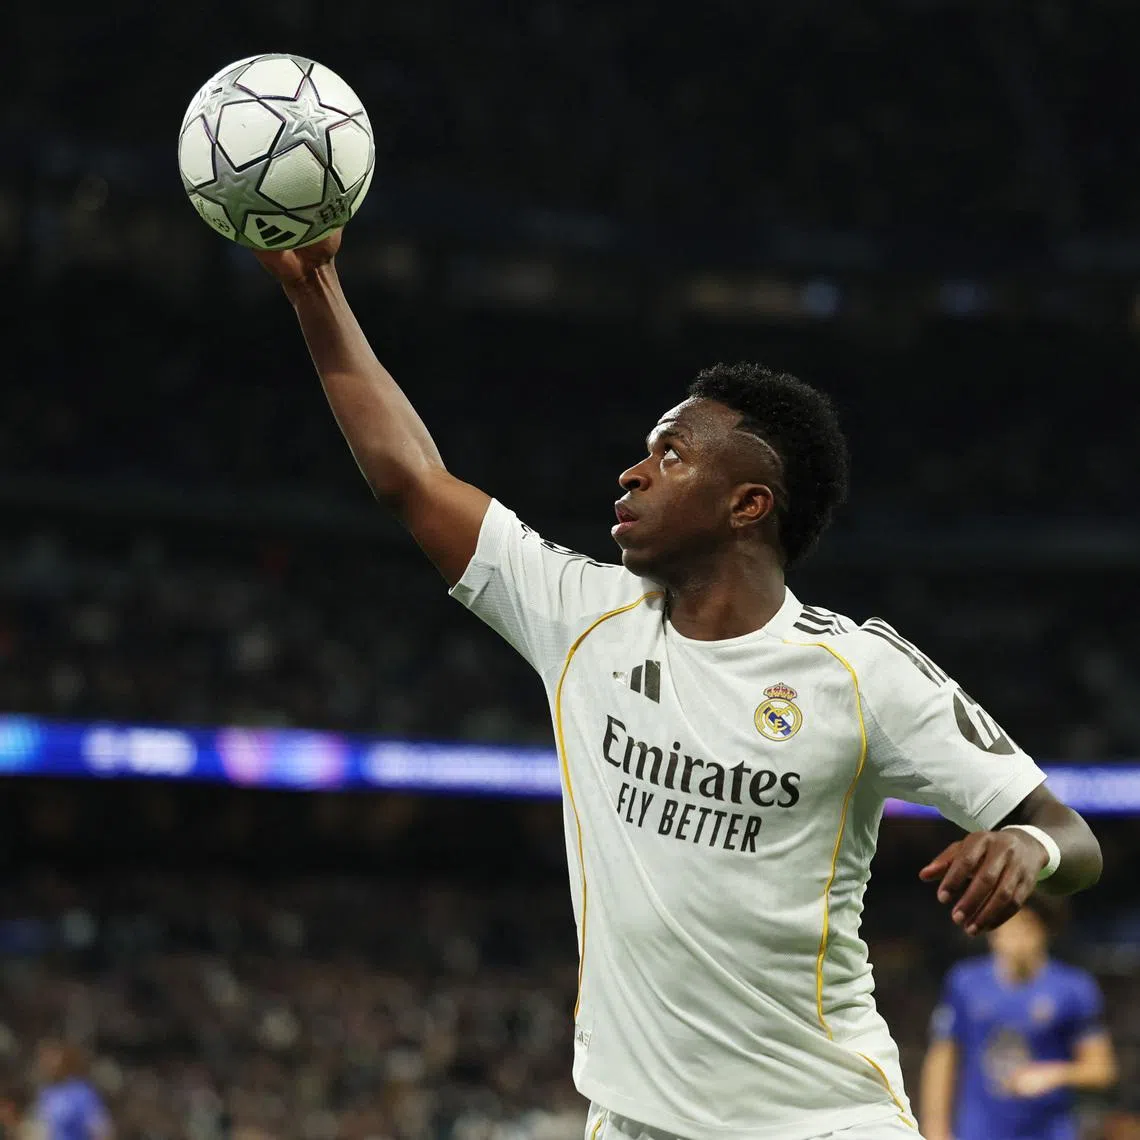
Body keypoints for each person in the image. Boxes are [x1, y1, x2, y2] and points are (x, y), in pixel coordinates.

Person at [251, 229, 1103, 1140]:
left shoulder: (862, 674)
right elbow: (411, 479)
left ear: (749, 505)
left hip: (821, 1121)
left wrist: (1029, 853)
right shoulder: (581, 617)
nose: (634, 471)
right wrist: (316, 291)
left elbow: (1070, 832)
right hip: (634, 1123)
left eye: (671, 455)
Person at [919, 895, 1116, 1140]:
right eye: (1005, 924)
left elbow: (1101, 1069)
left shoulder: (1074, 988)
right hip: (978, 1133)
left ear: (1044, 931)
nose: (1016, 936)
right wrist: (935, 1131)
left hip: (1049, 1132)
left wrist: (1053, 1074)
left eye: (1026, 925)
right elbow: (941, 1060)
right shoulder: (964, 983)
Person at [31, 1040, 111, 1140]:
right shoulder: (46, 1094)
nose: (49, 1063)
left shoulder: (82, 1093)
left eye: (54, 1058)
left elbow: (101, 1129)